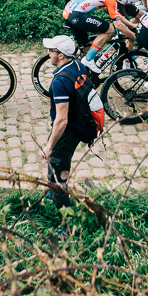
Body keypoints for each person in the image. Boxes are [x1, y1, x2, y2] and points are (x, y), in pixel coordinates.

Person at [41, 34, 101, 211]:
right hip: (78, 122)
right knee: (58, 162)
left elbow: (61, 120)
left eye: (51, 50)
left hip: (67, 130)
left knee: (57, 172)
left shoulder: (60, 81)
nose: (48, 53)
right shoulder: (78, 65)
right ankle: (54, 190)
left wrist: (49, 145)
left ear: (60, 55)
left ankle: (65, 218)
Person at [61, 0, 136, 73]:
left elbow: (115, 14)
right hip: (76, 16)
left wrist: (131, 25)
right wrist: (135, 36)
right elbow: (118, 25)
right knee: (110, 30)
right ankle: (88, 59)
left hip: (70, 13)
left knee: (87, 48)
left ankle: (84, 73)